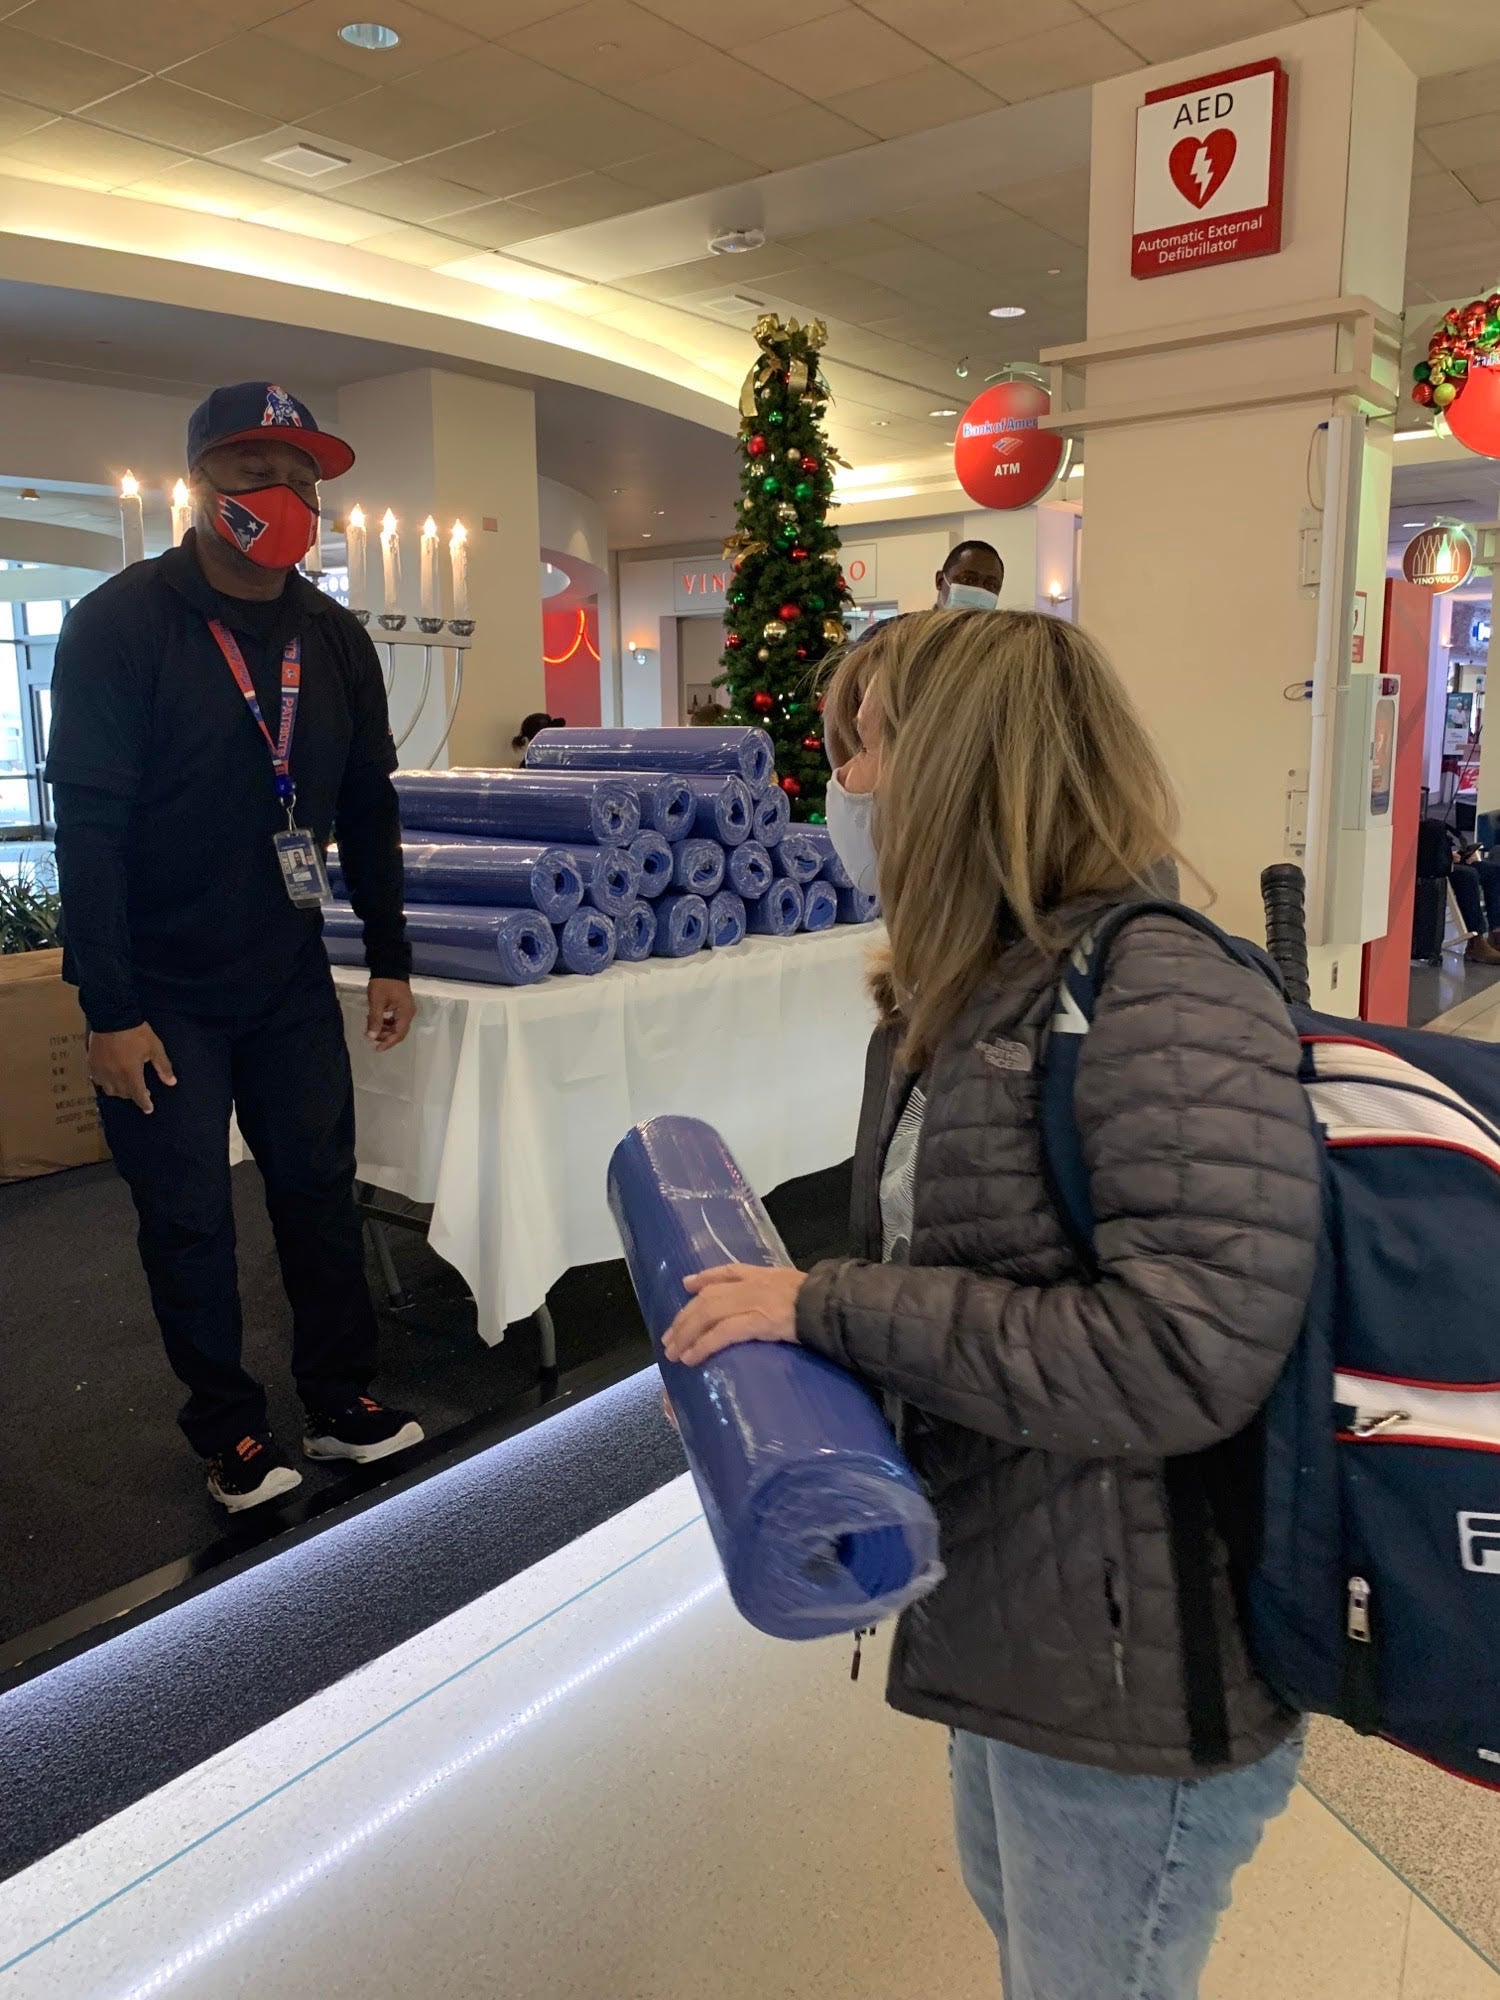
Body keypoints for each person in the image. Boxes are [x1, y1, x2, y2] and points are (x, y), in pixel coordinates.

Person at [664, 608, 1324, 2000]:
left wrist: (830, 1311)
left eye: (866, 749)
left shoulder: (1157, 990)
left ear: (966, 763)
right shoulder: (973, 995)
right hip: (1026, 1622)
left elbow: (1178, 1354)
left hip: (1139, 1675)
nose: (841, 787)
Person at [47, 381, 424, 1513]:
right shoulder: (118, 625)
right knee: (189, 1215)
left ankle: (340, 1395)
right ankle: (231, 1428)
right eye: (262, 472)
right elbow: (90, 830)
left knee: (316, 1188)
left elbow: (370, 806)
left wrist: (392, 953)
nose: (290, 496)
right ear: (205, 483)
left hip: (287, 973)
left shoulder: (334, 634)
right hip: (162, 989)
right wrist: (107, 1010)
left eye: (306, 478)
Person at [935, 538, 1004, 610]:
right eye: (968, 580)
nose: (979, 590)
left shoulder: (1006, 621)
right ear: (940, 581)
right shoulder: (922, 621)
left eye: (991, 585)